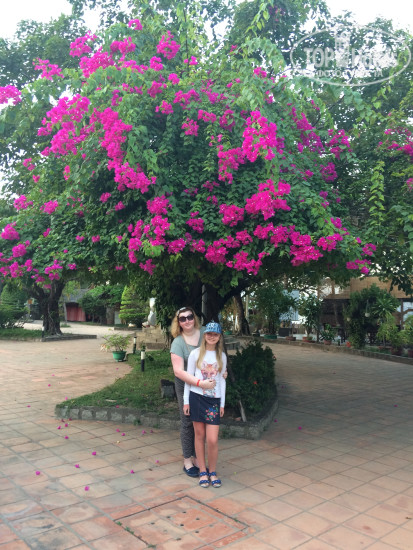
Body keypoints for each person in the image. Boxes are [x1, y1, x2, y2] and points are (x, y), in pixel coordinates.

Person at [170, 307, 216, 477]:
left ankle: (198, 458)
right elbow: (178, 371)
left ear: (194, 318)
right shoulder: (178, 343)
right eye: (183, 319)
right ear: (179, 323)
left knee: (201, 420)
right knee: (187, 421)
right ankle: (187, 460)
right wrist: (199, 383)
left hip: (206, 384)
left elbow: (217, 353)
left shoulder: (204, 333)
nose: (187, 321)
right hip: (186, 385)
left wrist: (222, 370)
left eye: (190, 317)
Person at [183, 322, 227, 488]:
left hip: (213, 401)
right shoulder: (195, 354)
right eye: (209, 333)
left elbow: (222, 381)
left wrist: (222, 403)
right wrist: (186, 401)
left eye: (215, 334)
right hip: (197, 398)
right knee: (199, 435)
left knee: (212, 439)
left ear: (219, 337)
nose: (212, 337)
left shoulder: (222, 356)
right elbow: (188, 378)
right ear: (204, 335)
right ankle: (202, 471)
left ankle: (212, 471)